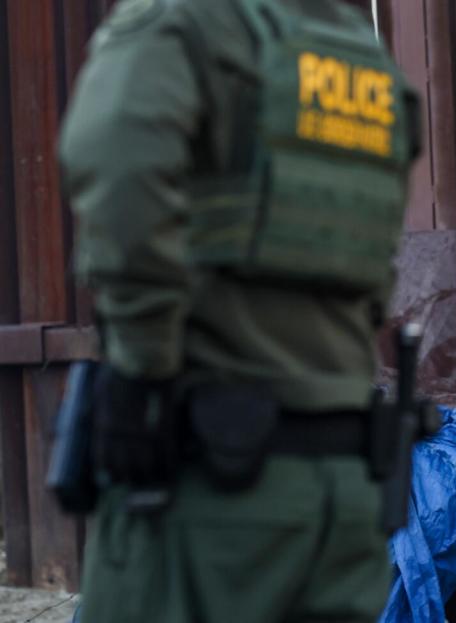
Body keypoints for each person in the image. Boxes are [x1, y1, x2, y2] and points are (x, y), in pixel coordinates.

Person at [57, 0, 419, 621]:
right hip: (346, 486)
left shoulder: (178, 22)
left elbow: (121, 185)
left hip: (210, 487)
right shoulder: (355, 47)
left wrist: (141, 370)